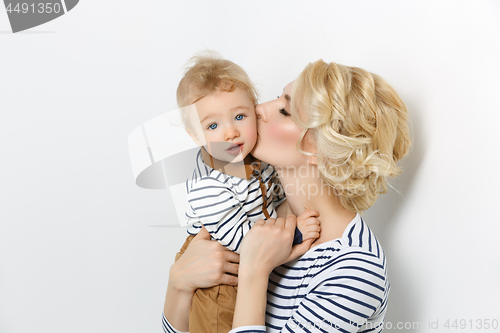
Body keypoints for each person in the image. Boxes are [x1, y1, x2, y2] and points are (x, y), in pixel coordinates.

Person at [163, 59, 411, 333]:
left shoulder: (355, 271)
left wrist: (254, 272)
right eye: (276, 97)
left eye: (284, 109)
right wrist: (179, 283)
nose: (258, 109)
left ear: (319, 145)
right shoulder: (254, 209)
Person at [174, 53, 321, 333]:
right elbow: (244, 246)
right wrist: (294, 235)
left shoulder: (257, 158)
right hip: (219, 273)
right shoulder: (210, 187)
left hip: (250, 243)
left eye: (240, 116)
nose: (231, 132)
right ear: (195, 136)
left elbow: (273, 199)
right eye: (213, 126)